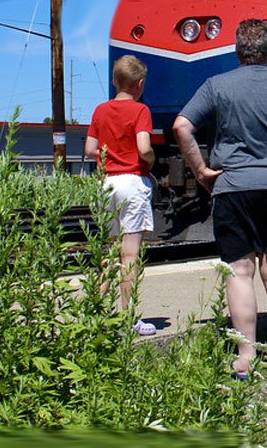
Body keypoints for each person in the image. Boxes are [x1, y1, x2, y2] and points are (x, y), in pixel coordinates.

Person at [173, 19, 267, 383]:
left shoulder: (216, 86)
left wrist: (202, 171)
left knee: (239, 273)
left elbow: (181, 127)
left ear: (237, 52)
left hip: (233, 188)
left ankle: (245, 359)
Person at [84, 54, 157, 336]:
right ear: (140, 84)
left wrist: (109, 155)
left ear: (114, 81)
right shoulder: (141, 111)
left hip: (106, 184)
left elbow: (91, 150)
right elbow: (144, 147)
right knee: (130, 255)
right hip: (131, 182)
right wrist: (148, 161)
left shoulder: (100, 110)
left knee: (110, 252)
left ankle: (96, 310)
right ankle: (129, 319)